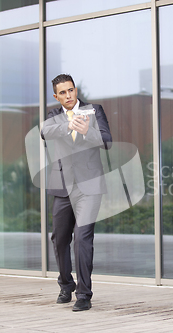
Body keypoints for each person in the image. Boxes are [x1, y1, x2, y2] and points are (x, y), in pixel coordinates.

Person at [41, 74, 112, 311]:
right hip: (62, 186)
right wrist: (68, 125)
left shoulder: (94, 110)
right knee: (60, 238)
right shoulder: (54, 117)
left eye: (70, 90)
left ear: (75, 89)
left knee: (82, 238)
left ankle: (84, 294)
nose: (68, 95)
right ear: (56, 96)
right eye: (62, 92)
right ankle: (66, 284)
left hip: (89, 187)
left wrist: (86, 131)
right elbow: (44, 131)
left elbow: (106, 141)